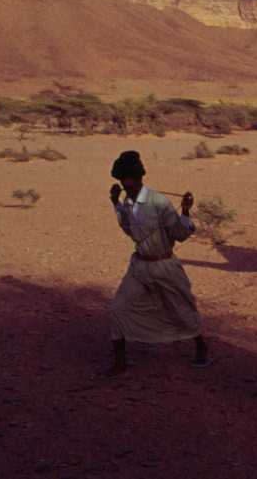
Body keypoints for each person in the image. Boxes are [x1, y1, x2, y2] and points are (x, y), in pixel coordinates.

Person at [104, 150, 209, 377]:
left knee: (181, 308)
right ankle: (120, 363)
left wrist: (186, 210)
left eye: (130, 181)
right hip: (139, 266)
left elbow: (180, 234)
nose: (127, 185)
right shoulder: (127, 202)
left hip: (164, 265)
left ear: (140, 178)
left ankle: (200, 345)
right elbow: (128, 229)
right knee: (117, 308)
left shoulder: (158, 202)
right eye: (123, 181)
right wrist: (116, 203)